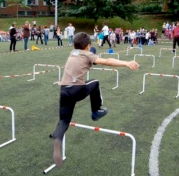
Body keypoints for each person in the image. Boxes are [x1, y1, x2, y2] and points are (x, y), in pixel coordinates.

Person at [51, 32, 139, 167]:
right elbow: (108, 61)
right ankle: (95, 111)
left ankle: (57, 139)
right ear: (87, 46)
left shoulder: (72, 52)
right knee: (95, 82)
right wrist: (127, 63)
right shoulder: (88, 54)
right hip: (77, 90)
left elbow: (88, 52)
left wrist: (91, 52)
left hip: (64, 90)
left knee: (64, 121)